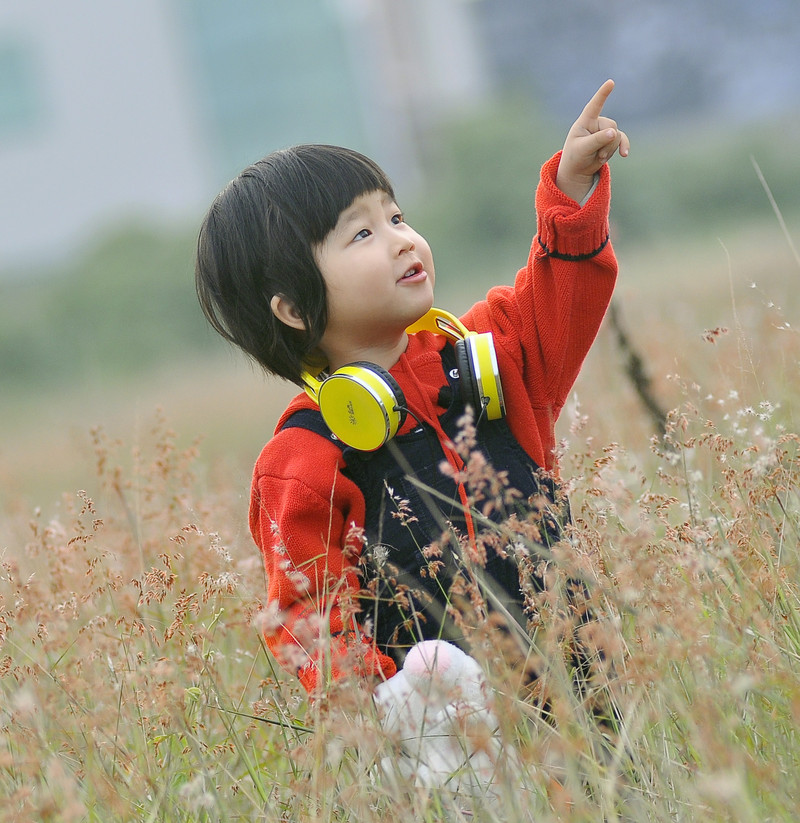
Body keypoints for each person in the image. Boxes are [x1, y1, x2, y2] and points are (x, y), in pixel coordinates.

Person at [195, 79, 629, 697]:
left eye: (395, 216)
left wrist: (572, 189)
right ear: (293, 309)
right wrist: (391, 706)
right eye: (362, 234)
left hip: (587, 692)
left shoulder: (487, 357)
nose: (402, 238)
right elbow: (306, 617)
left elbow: (562, 293)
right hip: (450, 746)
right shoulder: (304, 456)